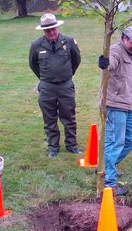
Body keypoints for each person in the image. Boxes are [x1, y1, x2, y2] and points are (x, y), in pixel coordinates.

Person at [97, 26, 132, 196]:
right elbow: (110, 62)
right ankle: (109, 184)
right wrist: (105, 63)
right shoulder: (115, 51)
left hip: (129, 105)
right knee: (115, 142)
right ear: (125, 38)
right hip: (115, 104)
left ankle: (105, 167)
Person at [29, 13, 81, 158]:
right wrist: (45, 78)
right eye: (47, 30)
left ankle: (72, 145)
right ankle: (53, 147)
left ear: (57, 27)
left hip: (66, 86)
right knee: (49, 118)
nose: (51, 33)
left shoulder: (69, 41)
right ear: (43, 31)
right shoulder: (36, 45)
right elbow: (33, 64)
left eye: (53, 29)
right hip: (46, 87)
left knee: (69, 117)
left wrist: (66, 75)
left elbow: (76, 60)